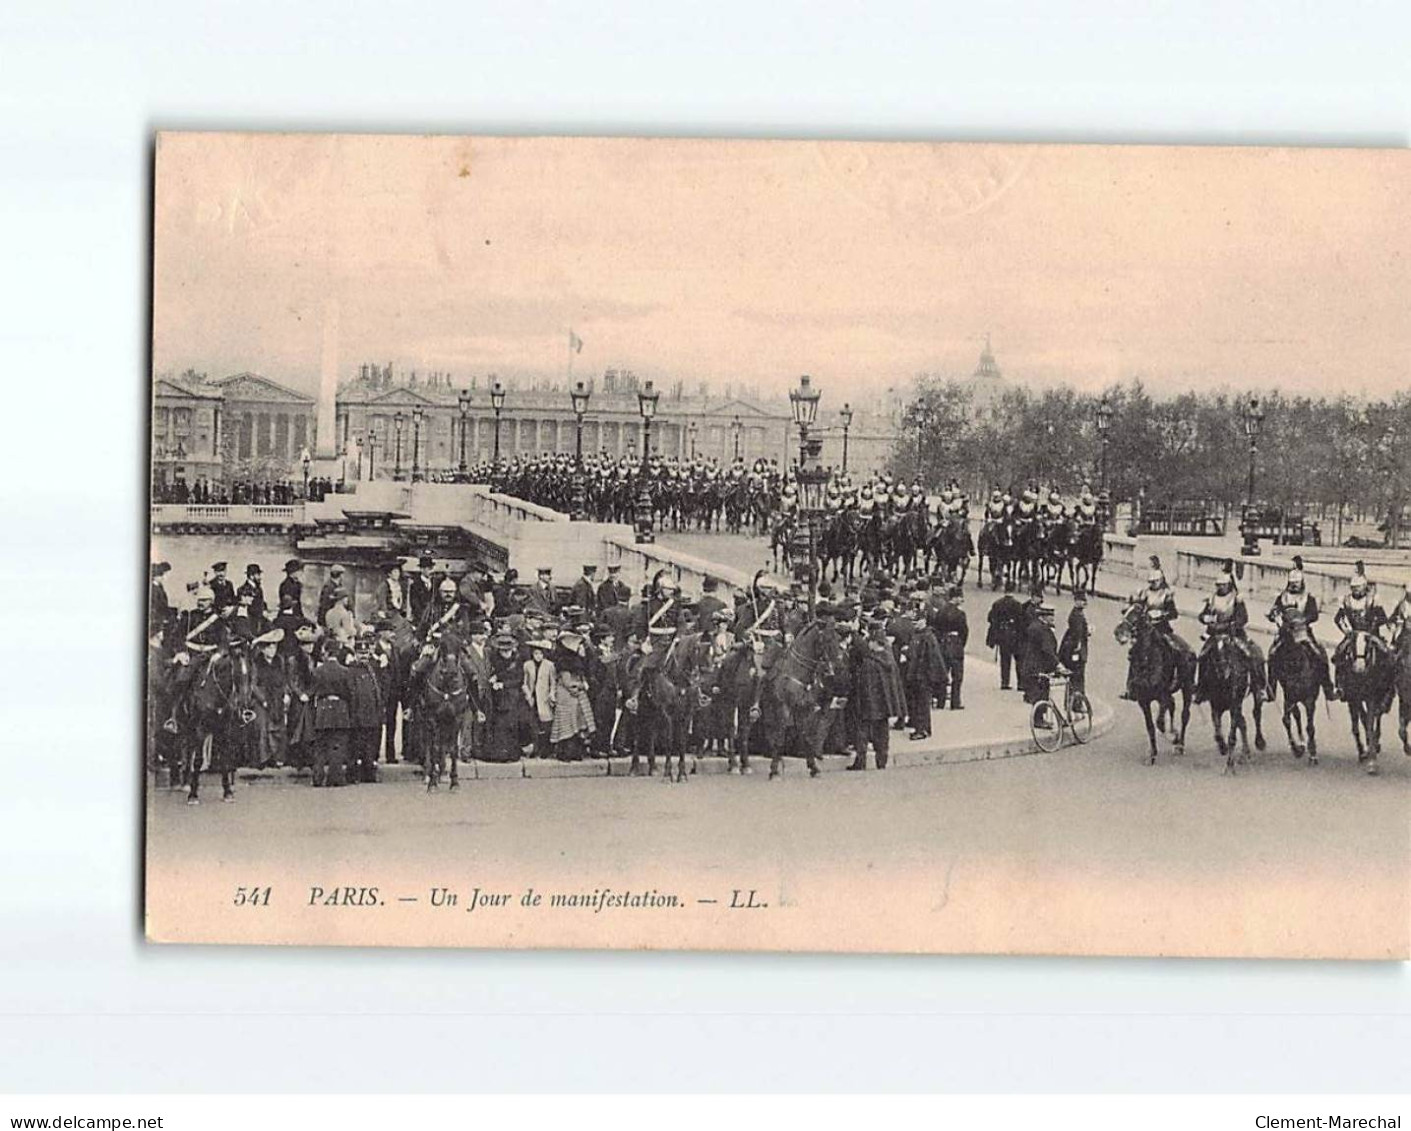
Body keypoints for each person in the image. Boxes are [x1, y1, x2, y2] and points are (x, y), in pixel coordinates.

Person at [1193, 559, 1266, 704]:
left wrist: (1231, 625)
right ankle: (1201, 689)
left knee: (1252, 655)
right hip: (1215, 635)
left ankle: (1261, 688)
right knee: (1202, 656)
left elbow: (1243, 618)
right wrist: (1205, 618)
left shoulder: (1236, 599)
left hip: (1233, 635)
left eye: (1223, 585)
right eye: (1218, 585)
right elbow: (1202, 615)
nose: (1220, 588)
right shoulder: (1212, 599)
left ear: (1229, 585)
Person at [1265, 555, 1336, 701]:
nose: (1294, 586)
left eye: (1297, 583)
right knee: (1272, 654)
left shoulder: (1308, 597)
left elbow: (1314, 614)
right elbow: (1275, 609)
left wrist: (1303, 620)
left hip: (1303, 633)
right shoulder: (1283, 597)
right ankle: (1271, 689)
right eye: (1292, 583)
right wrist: (1274, 615)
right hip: (1285, 633)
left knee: (1319, 654)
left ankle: (1328, 688)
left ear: (1302, 582)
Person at [1120, 557, 1192, 700]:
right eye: (1151, 582)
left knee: (1178, 650)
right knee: (1134, 653)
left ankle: (1181, 680)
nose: (1153, 584)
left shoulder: (1167, 595)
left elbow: (1174, 614)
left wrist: (1161, 614)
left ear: (1160, 580)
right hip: (1146, 630)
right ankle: (1130, 687)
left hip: (1162, 629)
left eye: (1155, 582)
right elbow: (1138, 607)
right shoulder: (1144, 593)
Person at [846, 613, 907, 771]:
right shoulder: (889, 659)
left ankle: (861, 761)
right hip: (884, 704)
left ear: (874, 643)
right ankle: (882, 761)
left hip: (867, 704)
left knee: (862, 733)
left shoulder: (869, 663)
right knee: (882, 733)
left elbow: (862, 685)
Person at [412, 631, 469, 791]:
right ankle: (412, 704)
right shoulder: (431, 607)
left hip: (455, 649)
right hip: (437, 647)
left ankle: (475, 705)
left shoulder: (459, 607)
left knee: (471, 672)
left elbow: (464, 624)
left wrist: (462, 640)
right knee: (419, 671)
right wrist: (430, 637)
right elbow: (422, 625)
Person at [1331, 561, 1389, 695]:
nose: (1356, 590)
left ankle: (1386, 683)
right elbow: (1337, 618)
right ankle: (1339, 685)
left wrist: (1372, 628)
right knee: (1339, 653)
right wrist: (1346, 630)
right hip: (1354, 634)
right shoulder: (1346, 600)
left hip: (1371, 634)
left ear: (1364, 587)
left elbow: (1382, 618)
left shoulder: (1373, 599)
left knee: (1385, 652)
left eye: (1358, 588)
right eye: (1353, 588)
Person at [311, 640, 355, 787]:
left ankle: (317, 777)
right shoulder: (345, 671)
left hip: (323, 709)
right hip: (340, 709)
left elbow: (314, 690)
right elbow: (349, 693)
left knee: (320, 746)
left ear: (326, 651)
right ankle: (335, 778)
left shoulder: (318, 670)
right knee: (338, 745)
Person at [346, 628, 386, 784]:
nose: (364, 657)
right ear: (356, 655)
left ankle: (369, 774)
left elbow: (378, 690)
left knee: (370, 747)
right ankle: (353, 775)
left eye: (366, 654)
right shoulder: (351, 671)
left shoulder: (373, 669)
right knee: (355, 747)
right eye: (361, 654)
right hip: (357, 715)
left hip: (372, 715)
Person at [900, 607, 943, 740]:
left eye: (917, 621)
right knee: (917, 702)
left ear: (924, 621)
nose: (914, 624)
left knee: (922, 704)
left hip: (923, 676)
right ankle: (921, 727)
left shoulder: (928, 637)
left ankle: (922, 729)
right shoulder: (918, 635)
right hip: (915, 675)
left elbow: (932, 658)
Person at [484, 631, 526, 763]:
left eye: (508, 649)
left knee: (511, 725)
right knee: (498, 725)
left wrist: (504, 684)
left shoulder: (517, 659)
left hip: (513, 696)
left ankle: (512, 753)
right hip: (497, 697)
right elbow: (493, 672)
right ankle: (498, 754)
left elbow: (519, 678)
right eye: (503, 650)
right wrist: (494, 678)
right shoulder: (494, 659)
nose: (505, 652)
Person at [250, 627, 288, 768]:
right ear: (263, 649)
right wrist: (263, 700)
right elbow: (253, 685)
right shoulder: (257, 663)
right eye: (269, 647)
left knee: (280, 728)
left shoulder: (280, 661)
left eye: (274, 647)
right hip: (263, 699)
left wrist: (286, 695)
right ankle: (263, 758)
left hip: (278, 697)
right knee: (262, 727)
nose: (272, 650)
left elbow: (285, 680)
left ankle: (278, 757)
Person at [931, 585, 968, 710]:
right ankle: (955, 701)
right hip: (955, 643)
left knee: (943, 673)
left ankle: (941, 701)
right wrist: (960, 644)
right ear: (956, 598)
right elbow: (964, 632)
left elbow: (936, 628)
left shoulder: (941, 611)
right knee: (957, 675)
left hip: (942, 643)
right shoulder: (960, 613)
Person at [1022, 602, 1062, 708]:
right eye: (1050, 616)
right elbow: (1047, 650)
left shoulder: (1035, 626)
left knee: (1037, 693)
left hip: (1032, 666)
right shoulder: (1042, 630)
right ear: (1043, 616)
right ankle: (1039, 720)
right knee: (1042, 694)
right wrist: (1058, 665)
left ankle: (1038, 718)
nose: (1053, 618)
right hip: (1039, 667)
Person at [522, 637, 557, 758]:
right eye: (536, 653)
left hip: (544, 697)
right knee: (533, 724)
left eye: (540, 653)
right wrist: (527, 695)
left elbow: (553, 682)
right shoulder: (527, 665)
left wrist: (552, 694)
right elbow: (524, 683)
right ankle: (535, 748)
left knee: (546, 724)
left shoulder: (549, 665)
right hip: (532, 698)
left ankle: (545, 749)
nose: (538, 656)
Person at [986, 579, 1023, 691]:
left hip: (1002, 635)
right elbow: (1021, 622)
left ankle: (1004, 682)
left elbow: (990, 618)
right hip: (1014, 635)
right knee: (1018, 660)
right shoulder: (1017, 605)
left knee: (1005, 660)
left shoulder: (997, 604)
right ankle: (1020, 683)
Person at [1059, 591, 1091, 696]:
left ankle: (1074, 701)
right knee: (1077, 677)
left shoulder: (1078, 613)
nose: (1083, 603)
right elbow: (1077, 635)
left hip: (1076, 650)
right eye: (1081, 600)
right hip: (1076, 652)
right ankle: (1076, 702)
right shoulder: (1077, 615)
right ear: (1076, 601)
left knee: (1076, 677)